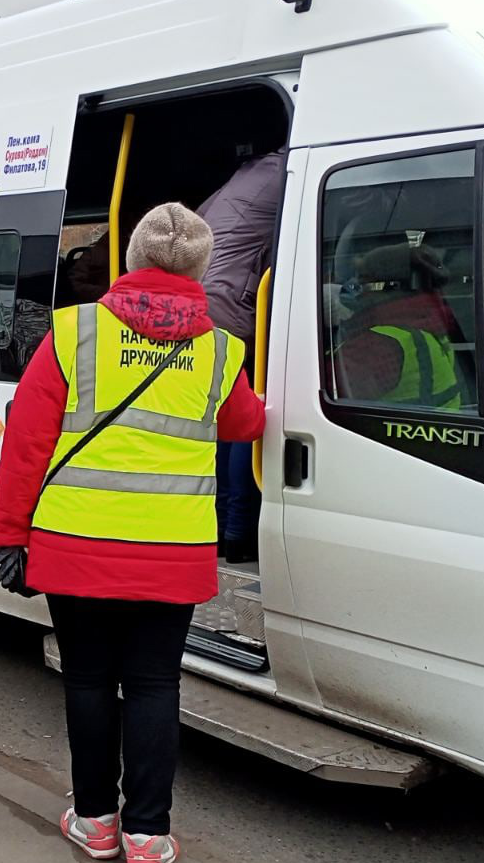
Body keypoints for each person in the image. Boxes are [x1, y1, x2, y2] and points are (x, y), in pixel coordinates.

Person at [0, 204, 266, 863]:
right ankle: (146, 836)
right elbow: (245, 424)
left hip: (75, 548)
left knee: (86, 679)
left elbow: (27, 442)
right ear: (199, 268)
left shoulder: (76, 332)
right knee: (152, 686)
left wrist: (10, 535)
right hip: (171, 557)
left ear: (132, 259)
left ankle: (95, 819)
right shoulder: (222, 349)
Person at [197, 151, 285, 564]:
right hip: (236, 305)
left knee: (217, 416)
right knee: (242, 418)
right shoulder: (285, 171)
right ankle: (239, 530)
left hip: (206, 297)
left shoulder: (244, 175)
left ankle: (218, 525)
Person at [333, 243, 464, 409]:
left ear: (390, 286)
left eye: (363, 279)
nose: (355, 287)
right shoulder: (426, 325)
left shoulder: (378, 345)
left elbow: (312, 393)